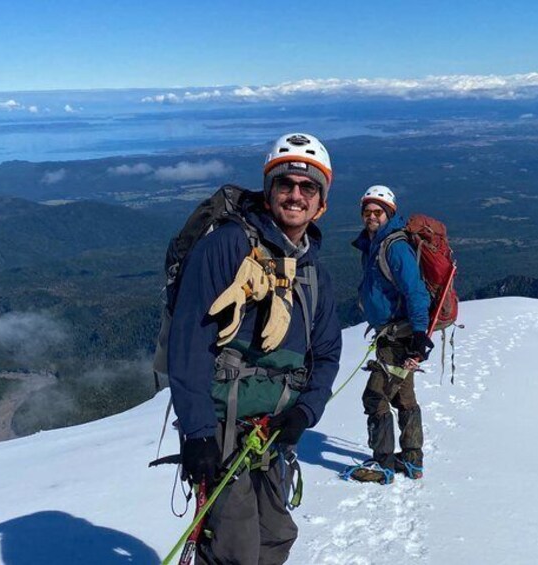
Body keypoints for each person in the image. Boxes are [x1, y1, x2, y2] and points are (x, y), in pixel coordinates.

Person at [168, 133, 342, 564]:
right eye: (285, 183)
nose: (296, 195)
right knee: (235, 547)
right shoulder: (226, 247)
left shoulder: (314, 274)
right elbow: (189, 343)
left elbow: (326, 354)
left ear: (321, 203)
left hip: (271, 434)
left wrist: (304, 413)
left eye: (308, 187)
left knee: (276, 536)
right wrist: (198, 433)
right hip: (222, 430)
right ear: (268, 191)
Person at [345, 185, 432, 485]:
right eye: (367, 211)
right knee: (404, 396)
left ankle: (383, 463)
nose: (371, 216)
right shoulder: (375, 244)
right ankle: (412, 460)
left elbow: (416, 292)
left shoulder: (394, 247)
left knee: (375, 396)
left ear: (389, 214)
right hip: (396, 334)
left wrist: (419, 334)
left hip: (398, 336)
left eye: (378, 212)